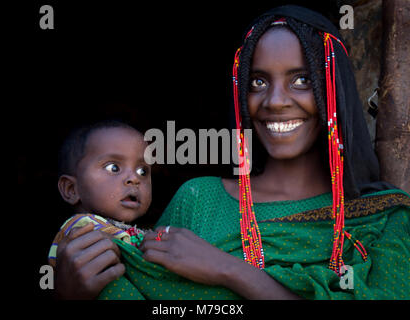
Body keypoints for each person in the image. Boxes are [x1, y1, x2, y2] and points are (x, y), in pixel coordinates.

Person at [53, 6, 410, 300]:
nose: (274, 101)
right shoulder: (199, 198)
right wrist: (71, 295)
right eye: (258, 82)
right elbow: (142, 286)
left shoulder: (386, 219)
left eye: (301, 80)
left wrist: (228, 269)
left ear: (334, 89)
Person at [48, 120, 152, 270]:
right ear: (71, 189)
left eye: (143, 171)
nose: (134, 179)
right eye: (113, 168)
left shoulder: (129, 230)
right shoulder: (82, 229)